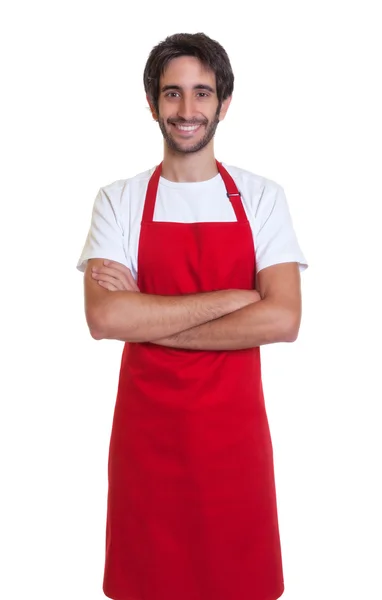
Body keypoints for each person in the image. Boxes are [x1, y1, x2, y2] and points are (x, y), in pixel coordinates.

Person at [77, 32, 307, 600]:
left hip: (234, 444)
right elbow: (105, 319)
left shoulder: (261, 197)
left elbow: (283, 320)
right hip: (147, 444)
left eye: (201, 94)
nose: (186, 110)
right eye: (172, 93)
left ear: (223, 104)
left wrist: (149, 316)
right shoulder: (119, 200)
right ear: (152, 103)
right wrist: (236, 299)